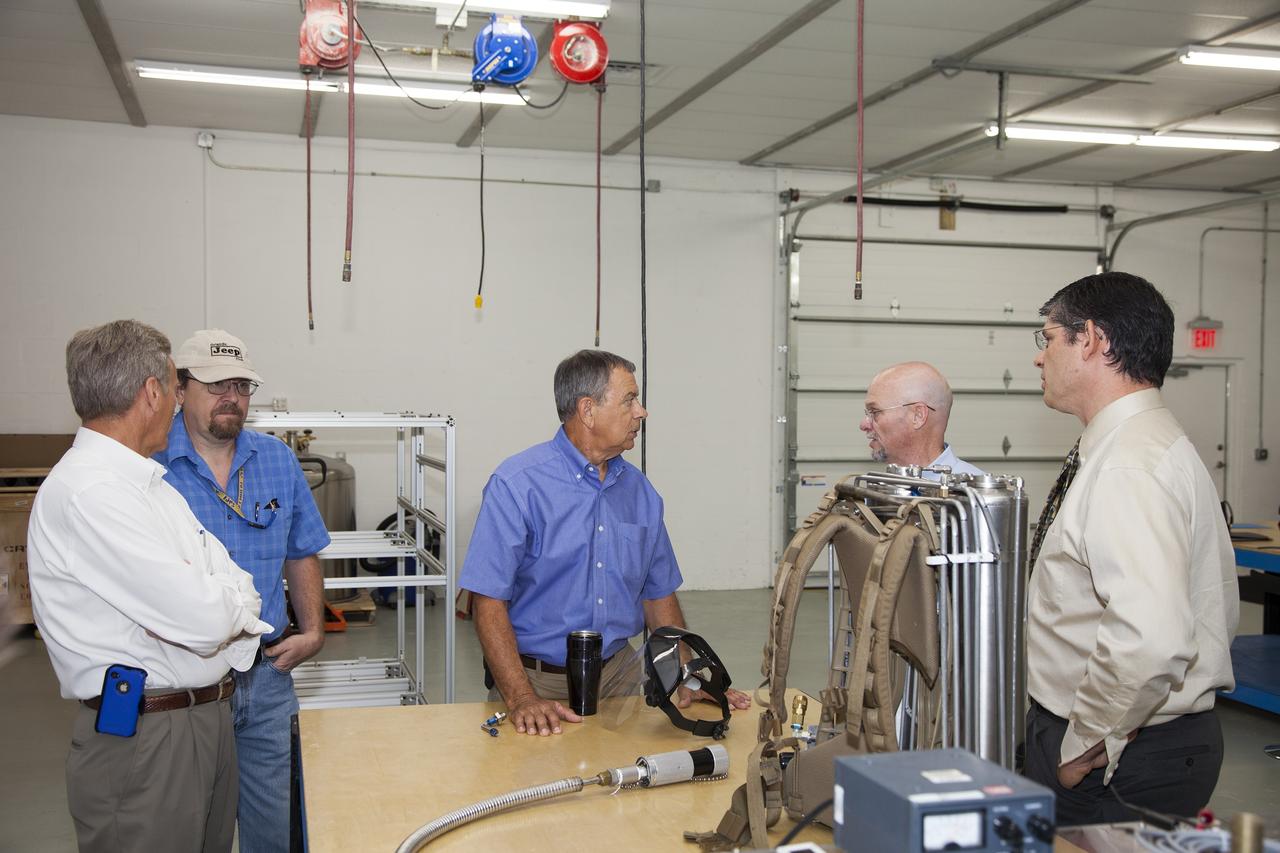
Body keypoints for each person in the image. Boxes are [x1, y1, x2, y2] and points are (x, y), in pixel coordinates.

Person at [27, 320, 271, 853]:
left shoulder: (147, 484)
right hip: (148, 740)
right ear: (153, 392)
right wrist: (225, 604)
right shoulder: (91, 493)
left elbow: (235, 580)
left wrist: (222, 599)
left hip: (202, 720)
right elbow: (205, 620)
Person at [1023, 272, 1239, 825]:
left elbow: (1149, 639)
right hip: (1132, 741)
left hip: (1118, 757)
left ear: (1091, 340)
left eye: (1047, 338)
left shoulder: (1128, 466)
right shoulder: (1136, 445)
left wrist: (1082, 748)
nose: (1039, 359)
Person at [459, 349, 751, 736]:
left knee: (637, 781)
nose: (642, 412)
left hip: (619, 675)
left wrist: (686, 676)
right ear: (588, 410)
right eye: (630, 399)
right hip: (537, 680)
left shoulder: (641, 493)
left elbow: (658, 594)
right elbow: (488, 600)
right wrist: (521, 698)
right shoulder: (517, 486)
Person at [156, 329, 331, 852]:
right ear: (180, 388)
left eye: (241, 385)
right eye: (214, 385)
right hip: (184, 682)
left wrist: (315, 631)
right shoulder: (150, 465)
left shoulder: (276, 459)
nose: (231, 396)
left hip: (266, 675)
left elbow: (302, 549)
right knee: (189, 825)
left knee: (276, 824)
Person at [860, 361, 983, 477]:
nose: (863, 425)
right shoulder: (878, 491)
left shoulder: (975, 495)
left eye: (875, 412)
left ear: (918, 416)